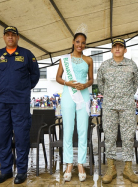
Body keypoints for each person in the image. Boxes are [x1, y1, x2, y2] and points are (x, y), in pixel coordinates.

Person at [0, 26, 40, 184]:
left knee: (21, 136)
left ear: (18, 37)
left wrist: (23, 89)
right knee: (3, 136)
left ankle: (22, 171)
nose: (10, 37)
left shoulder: (26, 54)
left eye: (13, 35)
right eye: (7, 35)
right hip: (1, 102)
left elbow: (35, 75)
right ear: (4, 37)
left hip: (20, 102)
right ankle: (6, 171)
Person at [97, 38, 138, 184]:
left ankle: (128, 169)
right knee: (109, 136)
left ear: (125, 50)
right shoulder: (104, 66)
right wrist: (111, 96)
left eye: (120, 47)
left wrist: (125, 96)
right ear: (111, 49)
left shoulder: (132, 65)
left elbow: (135, 84)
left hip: (127, 105)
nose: (117, 49)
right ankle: (111, 168)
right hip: (109, 106)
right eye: (114, 46)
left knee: (128, 136)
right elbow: (101, 85)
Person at [55, 27, 93, 182]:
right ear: (73, 42)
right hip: (68, 96)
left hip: (83, 95)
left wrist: (86, 85)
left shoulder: (89, 60)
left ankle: (81, 164)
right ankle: (69, 164)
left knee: (83, 130)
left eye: (83, 43)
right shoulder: (64, 59)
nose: (80, 45)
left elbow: (91, 79)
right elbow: (58, 77)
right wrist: (67, 82)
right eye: (78, 42)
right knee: (68, 130)